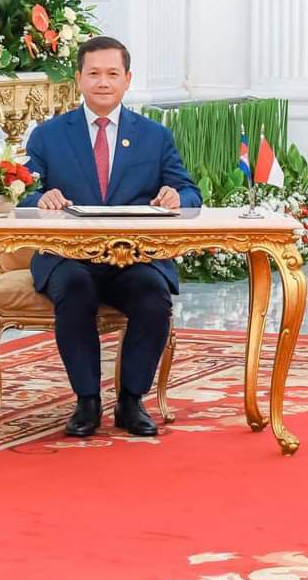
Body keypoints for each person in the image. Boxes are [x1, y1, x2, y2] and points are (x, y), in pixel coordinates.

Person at [20, 36, 201, 438]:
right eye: (94, 73)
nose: (103, 82)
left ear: (127, 79)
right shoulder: (48, 135)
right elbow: (21, 191)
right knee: (75, 290)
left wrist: (177, 197)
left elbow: (190, 191)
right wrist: (39, 197)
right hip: (68, 256)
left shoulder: (155, 136)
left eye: (112, 74)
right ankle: (87, 402)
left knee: (153, 296)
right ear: (79, 78)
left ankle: (131, 401)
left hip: (134, 256)